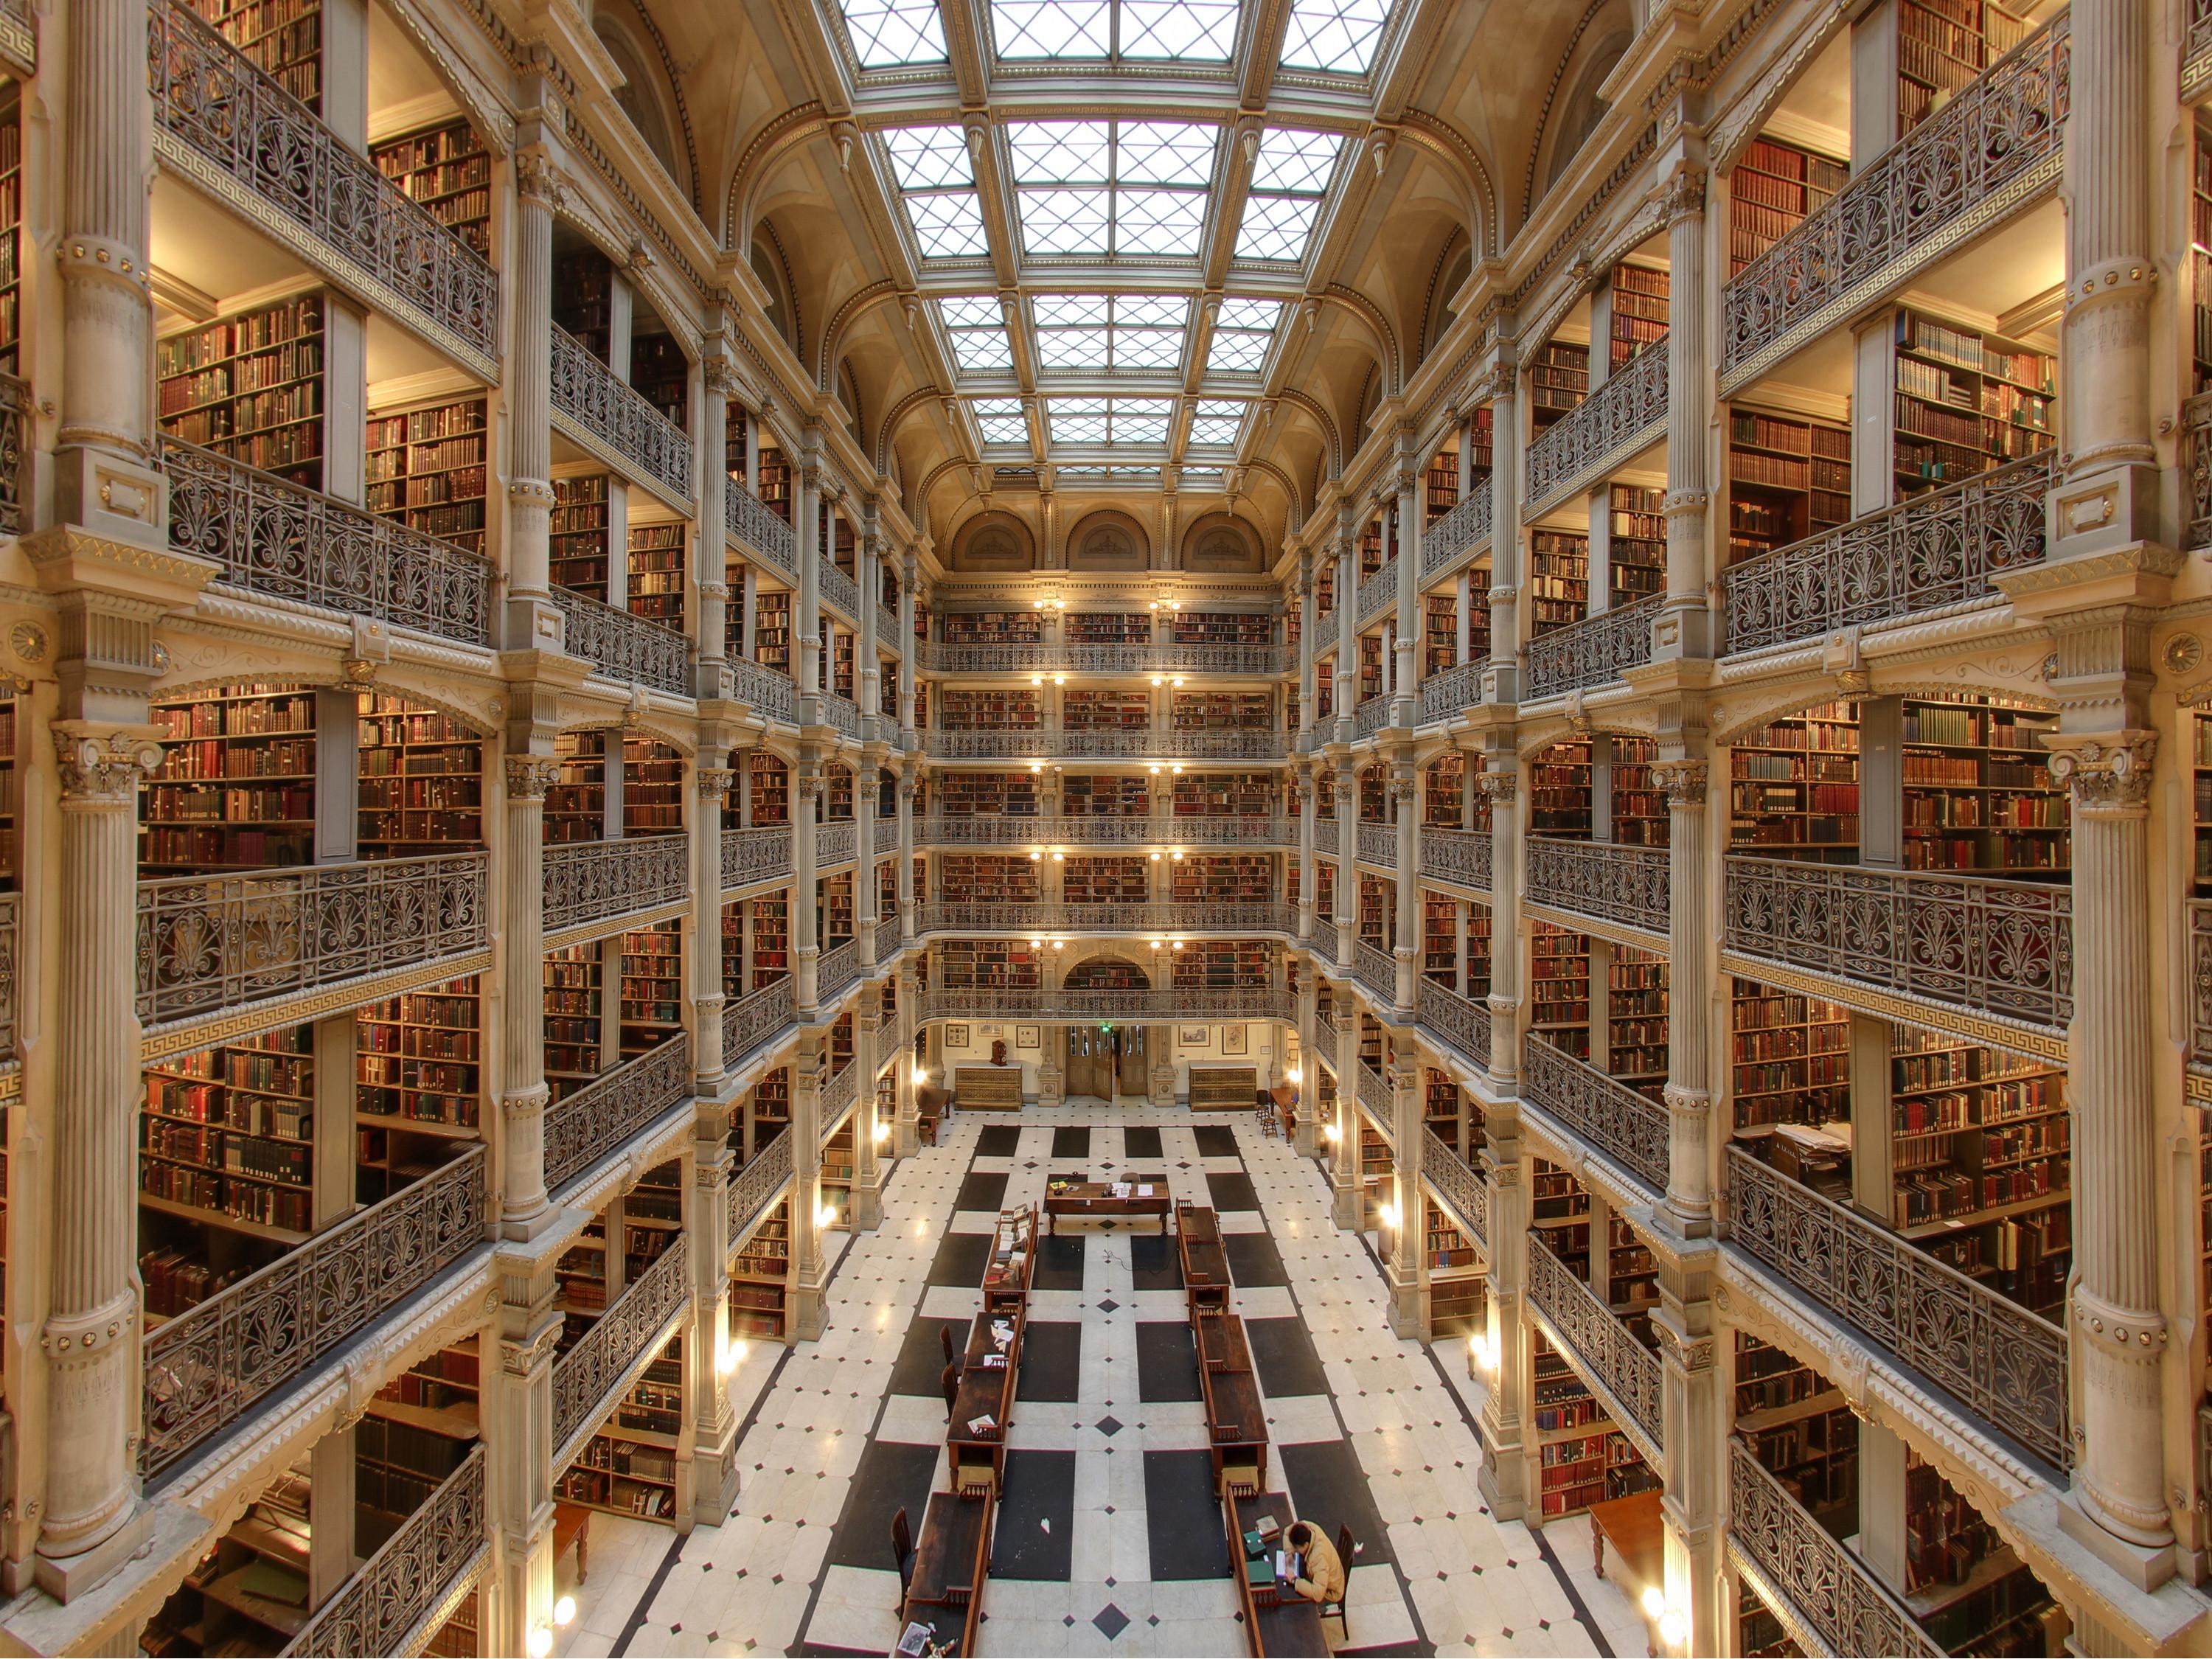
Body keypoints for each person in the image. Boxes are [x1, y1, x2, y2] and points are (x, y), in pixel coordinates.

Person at [1282, 1521, 1344, 1607]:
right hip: (1319, 1575)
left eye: (1297, 1548)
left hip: (1330, 1591)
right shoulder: (1308, 1527)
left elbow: (1318, 1594)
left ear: (1306, 1545)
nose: (1296, 1551)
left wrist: (1294, 1580)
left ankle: (1321, 1609)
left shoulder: (1319, 1558)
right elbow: (1287, 1532)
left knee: (1301, 1607)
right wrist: (1289, 1553)